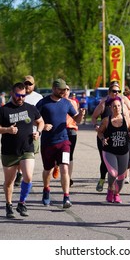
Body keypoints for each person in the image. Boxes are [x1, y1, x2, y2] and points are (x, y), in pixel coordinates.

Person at [0, 82, 44, 218]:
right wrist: (7, 129)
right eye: (18, 95)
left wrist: (38, 132)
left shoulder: (31, 108)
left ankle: (22, 202)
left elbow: (41, 122)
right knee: (9, 182)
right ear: (12, 93)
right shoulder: (3, 110)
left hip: (27, 148)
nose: (20, 98)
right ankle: (9, 205)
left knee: (28, 176)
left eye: (23, 95)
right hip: (9, 151)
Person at [36, 78, 85, 208]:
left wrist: (80, 114)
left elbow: (77, 120)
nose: (64, 92)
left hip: (63, 141)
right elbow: (33, 118)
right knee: (48, 169)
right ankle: (46, 190)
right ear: (54, 89)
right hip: (48, 142)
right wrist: (42, 125)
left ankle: (66, 197)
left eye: (65, 89)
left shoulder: (66, 103)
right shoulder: (43, 103)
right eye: (61, 90)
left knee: (64, 167)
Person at [91, 81, 130, 192]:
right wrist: (96, 125)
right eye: (114, 91)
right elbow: (94, 117)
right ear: (109, 92)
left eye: (118, 91)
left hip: (121, 135)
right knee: (105, 161)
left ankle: (118, 183)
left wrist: (126, 113)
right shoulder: (103, 103)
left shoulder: (123, 102)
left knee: (124, 159)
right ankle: (102, 180)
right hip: (105, 135)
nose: (116, 93)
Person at [97, 97, 130, 203]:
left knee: (121, 177)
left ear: (122, 107)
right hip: (109, 151)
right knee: (113, 173)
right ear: (110, 107)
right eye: (114, 106)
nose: (117, 108)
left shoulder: (127, 120)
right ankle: (110, 188)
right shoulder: (106, 120)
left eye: (119, 106)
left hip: (123, 152)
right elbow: (100, 132)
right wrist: (102, 139)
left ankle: (117, 193)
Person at [14, 75, 43, 186]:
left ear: (34, 85)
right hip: (18, 131)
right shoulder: (16, 96)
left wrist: (40, 130)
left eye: (30, 84)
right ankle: (20, 173)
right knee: (18, 154)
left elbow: (41, 116)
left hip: (33, 131)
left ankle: (24, 174)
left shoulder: (38, 98)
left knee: (30, 154)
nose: (27, 86)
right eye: (25, 83)